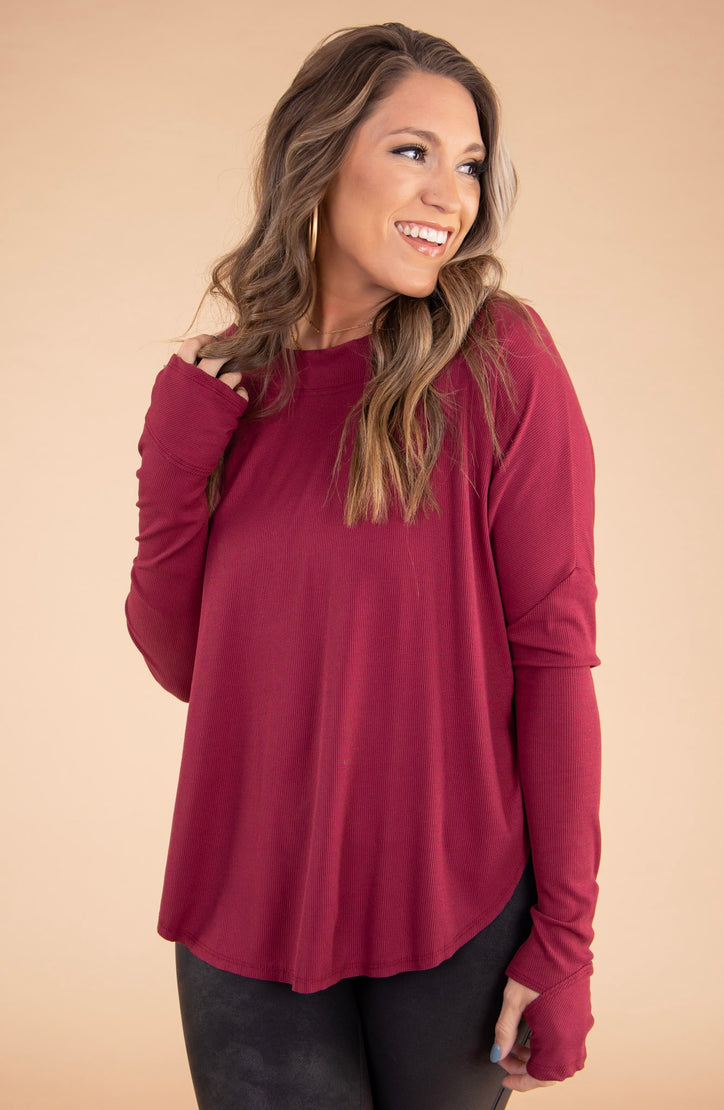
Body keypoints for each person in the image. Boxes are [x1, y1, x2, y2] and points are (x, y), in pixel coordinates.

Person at [125, 21, 601, 1110]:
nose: (449, 194)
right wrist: (177, 455)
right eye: (412, 151)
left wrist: (564, 945)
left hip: (451, 904)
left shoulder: (499, 359)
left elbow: (552, 662)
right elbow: (188, 663)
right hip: (243, 903)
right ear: (319, 155)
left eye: (469, 164)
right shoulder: (230, 387)